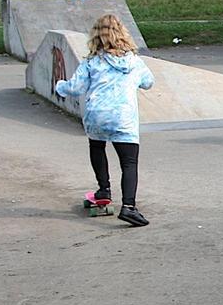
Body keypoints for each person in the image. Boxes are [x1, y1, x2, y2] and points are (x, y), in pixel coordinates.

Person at [54, 14, 155, 227]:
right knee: (129, 163)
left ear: (96, 36)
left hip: (97, 115)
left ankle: (104, 190)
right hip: (123, 117)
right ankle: (129, 207)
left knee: (97, 147)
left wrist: (59, 85)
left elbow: (75, 88)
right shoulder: (134, 62)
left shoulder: (92, 62)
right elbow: (148, 83)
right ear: (123, 34)